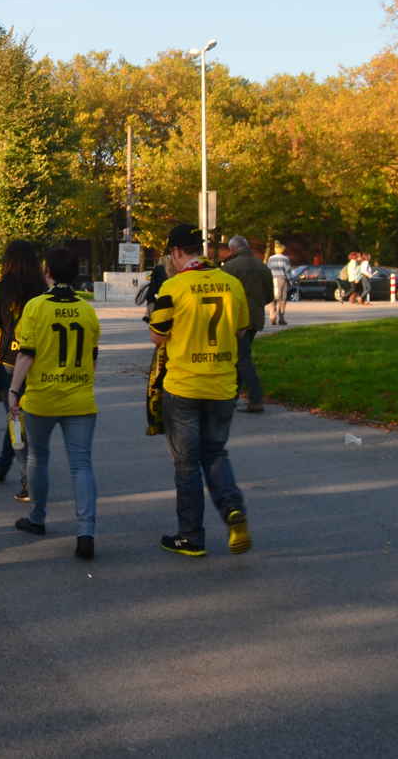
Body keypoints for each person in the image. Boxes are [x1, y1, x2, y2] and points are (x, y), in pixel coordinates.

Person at [147, 223, 253, 558]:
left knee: (187, 463)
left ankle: (190, 536)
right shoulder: (231, 284)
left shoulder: (173, 287)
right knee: (216, 452)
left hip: (184, 385)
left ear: (177, 252)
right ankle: (233, 508)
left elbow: (157, 335)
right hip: (222, 384)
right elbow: (241, 327)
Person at [9, 248, 100, 560]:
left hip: (42, 397)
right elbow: (93, 355)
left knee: (38, 458)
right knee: (81, 464)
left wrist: (13, 390)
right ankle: (86, 530)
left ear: (47, 272)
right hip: (79, 396)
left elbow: (26, 353)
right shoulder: (87, 310)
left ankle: (37, 517)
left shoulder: (36, 307)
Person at [0, 240, 47, 499]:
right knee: (16, 419)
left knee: (15, 421)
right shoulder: (42, 289)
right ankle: (3, 463)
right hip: (36, 361)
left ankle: (26, 476)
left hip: (9, 362)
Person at [221, 235, 270, 413]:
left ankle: (256, 399)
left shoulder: (229, 268)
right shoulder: (262, 266)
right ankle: (233, 398)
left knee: (242, 359)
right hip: (255, 318)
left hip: (236, 319)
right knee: (241, 356)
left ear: (233, 249)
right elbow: (269, 295)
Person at [266, 244, 293, 326]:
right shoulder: (285, 259)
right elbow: (287, 270)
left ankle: (272, 317)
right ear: (282, 250)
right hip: (281, 279)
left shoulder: (270, 258)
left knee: (272, 298)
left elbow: (268, 268)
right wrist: (290, 281)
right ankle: (281, 318)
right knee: (282, 299)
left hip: (271, 279)